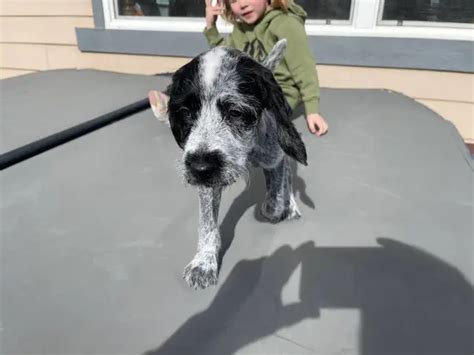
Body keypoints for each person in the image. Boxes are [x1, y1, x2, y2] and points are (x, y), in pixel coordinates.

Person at [149, 0, 328, 136]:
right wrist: (211, 26)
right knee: (211, 83)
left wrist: (312, 111)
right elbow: (223, 56)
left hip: (279, 94)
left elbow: (304, 69)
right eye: (233, 0)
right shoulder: (240, 29)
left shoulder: (286, 24)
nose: (242, 4)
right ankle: (174, 103)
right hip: (246, 90)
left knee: (251, 120)